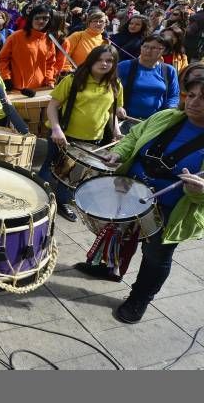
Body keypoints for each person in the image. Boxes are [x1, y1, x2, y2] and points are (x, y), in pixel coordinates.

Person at [96, 78, 204, 323]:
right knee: (117, 234)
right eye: (192, 95)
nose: (194, 102)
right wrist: (119, 152)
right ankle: (108, 268)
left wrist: (199, 190)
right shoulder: (167, 116)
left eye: (203, 98)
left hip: (169, 208)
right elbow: (134, 137)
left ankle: (140, 299)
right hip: (131, 192)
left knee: (156, 255)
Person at [38, 45, 124, 221]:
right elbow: (53, 106)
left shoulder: (115, 84)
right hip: (63, 135)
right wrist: (56, 129)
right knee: (50, 167)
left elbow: (111, 112)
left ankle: (62, 204)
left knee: (72, 175)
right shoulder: (73, 79)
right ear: (91, 60)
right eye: (100, 60)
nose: (104, 64)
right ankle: (38, 199)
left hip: (93, 139)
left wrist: (116, 130)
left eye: (109, 61)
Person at [117, 34, 179, 122]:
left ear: (164, 51)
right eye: (145, 46)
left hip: (154, 123)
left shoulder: (169, 70)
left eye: (154, 48)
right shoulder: (125, 66)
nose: (148, 50)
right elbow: (110, 88)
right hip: (125, 119)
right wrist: (117, 106)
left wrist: (170, 110)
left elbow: (173, 96)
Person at [0, 5, 57, 92]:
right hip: (17, 89)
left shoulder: (49, 40)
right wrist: (6, 78)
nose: (41, 21)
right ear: (31, 19)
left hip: (41, 90)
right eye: (37, 18)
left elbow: (50, 64)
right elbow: (2, 60)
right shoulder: (15, 37)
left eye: (45, 18)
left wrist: (49, 80)